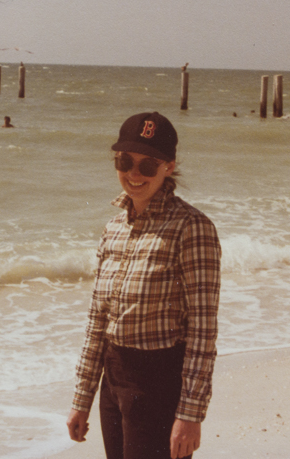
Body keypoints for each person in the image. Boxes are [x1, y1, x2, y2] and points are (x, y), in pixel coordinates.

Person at [67, 112, 221, 459]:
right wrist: (82, 399)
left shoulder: (192, 228)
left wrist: (190, 415)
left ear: (169, 167)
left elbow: (203, 330)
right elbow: (97, 322)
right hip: (113, 380)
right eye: (125, 161)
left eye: (148, 165)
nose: (134, 174)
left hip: (159, 385)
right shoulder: (114, 229)